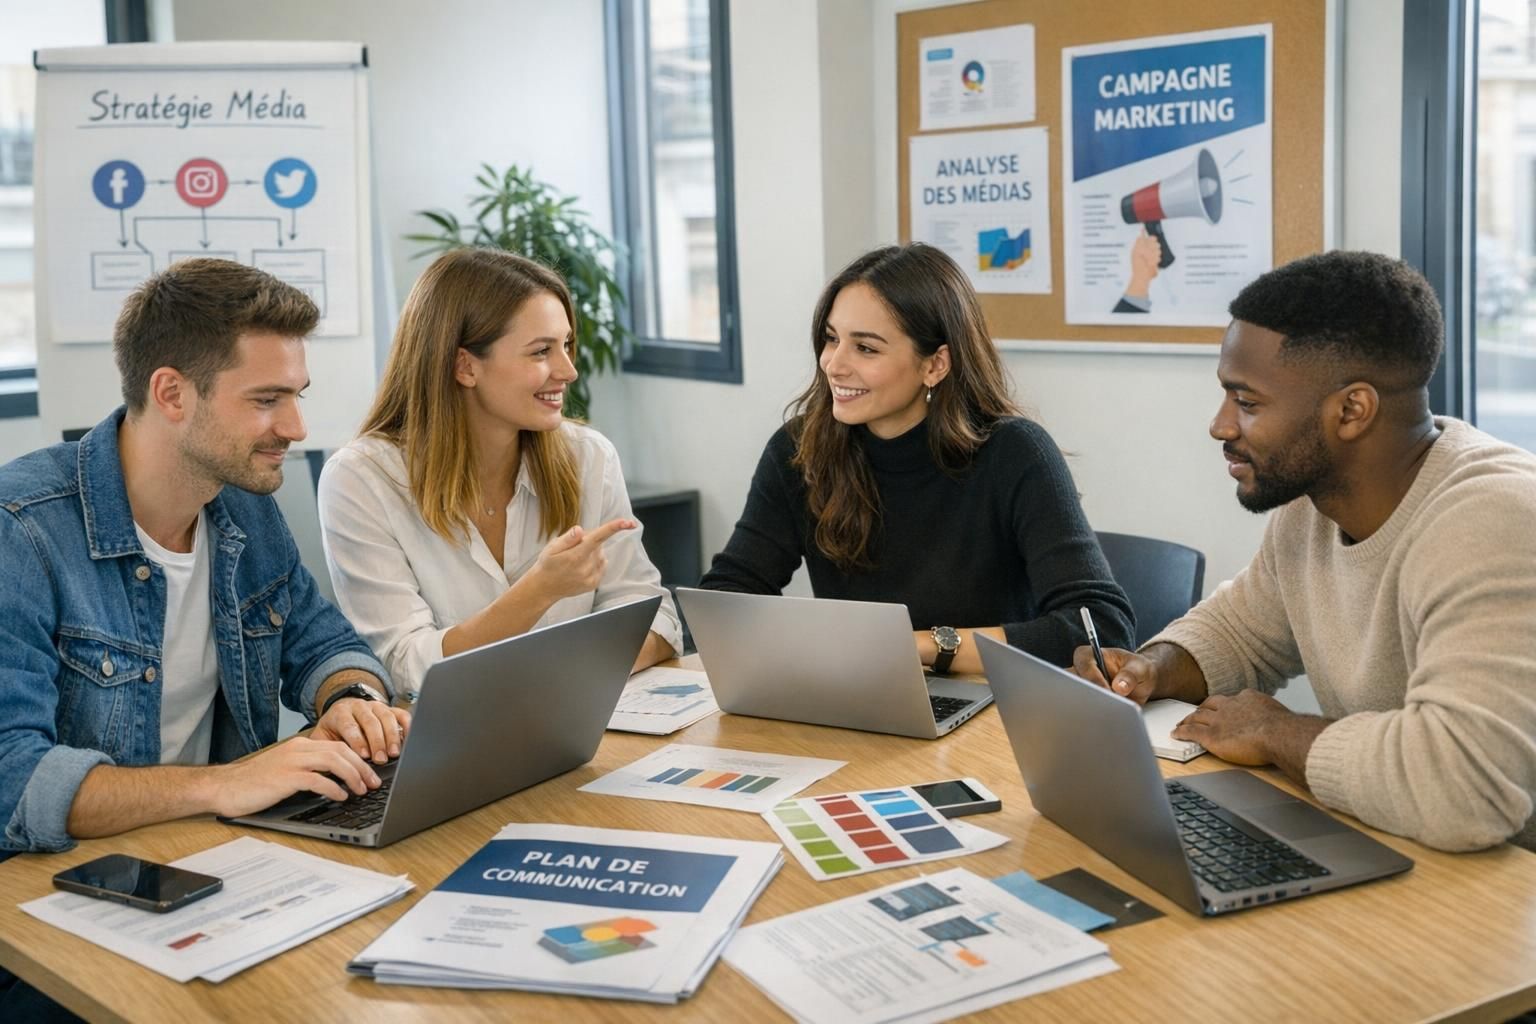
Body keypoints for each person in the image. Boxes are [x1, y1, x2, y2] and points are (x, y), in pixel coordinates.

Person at [1073, 250, 1536, 853]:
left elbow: (1463, 788)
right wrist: (1151, 668)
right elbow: (1241, 633)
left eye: (1248, 402)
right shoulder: (1311, 504)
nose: (1220, 425)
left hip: (1503, 893)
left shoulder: (1493, 520)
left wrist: (1276, 732)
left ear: (1351, 410)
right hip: (1405, 848)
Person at [0, 258, 410, 856]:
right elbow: (13, 782)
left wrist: (352, 701)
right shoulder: (22, 530)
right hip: (64, 879)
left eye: (297, 396)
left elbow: (323, 644)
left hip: (214, 850)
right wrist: (224, 785)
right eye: (267, 399)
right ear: (171, 393)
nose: (296, 427)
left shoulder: (241, 502)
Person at [700, 243, 1133, 674]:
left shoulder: (1016, 453)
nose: (834, 364)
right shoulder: (799, 450)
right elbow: (728, 596)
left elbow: (1102, 631)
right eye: (832, 339)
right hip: (859, 696)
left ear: (935, 365)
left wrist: (920, 647)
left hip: (993, 711)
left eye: (865, 348)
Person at [317, 248, 681, 696]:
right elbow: (405, 666)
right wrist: (538, 592)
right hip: (445, 743)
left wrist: (572, 679)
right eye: (541, 351)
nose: (568, 371)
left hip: (579, 724)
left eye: (566, 345)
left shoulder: (589, 457)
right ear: (465, 366)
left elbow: (655, 618)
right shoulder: (361, 479)